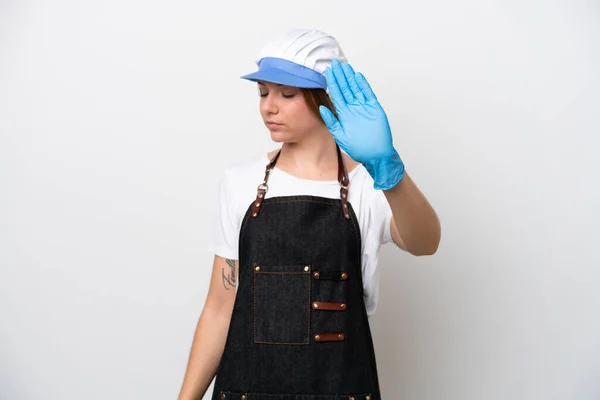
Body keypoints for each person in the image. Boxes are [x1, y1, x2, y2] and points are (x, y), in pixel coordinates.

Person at [178, 28, 441, 400]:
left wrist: (389, 170)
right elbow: (220, 311)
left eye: (287, 94)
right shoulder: (240, 183)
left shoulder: (368, 184)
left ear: (327, 98)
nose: (269, 106)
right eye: (263, 92)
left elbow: (426, 243)